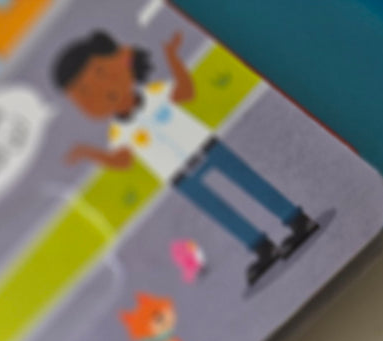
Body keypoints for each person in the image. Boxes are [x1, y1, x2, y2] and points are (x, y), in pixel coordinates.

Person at [55, 30, 319, 285]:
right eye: (83, 93)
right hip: (181, 176)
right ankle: (261, 247)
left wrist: (172, 57)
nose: (99, 91)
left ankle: (296, 220)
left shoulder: (155, 93)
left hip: (207, 149)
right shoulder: (118, 131)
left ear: (123, 59)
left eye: (101, 73)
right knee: (221, 211)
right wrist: (90, 153)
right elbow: (122, 160)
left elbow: (186, 91)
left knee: (251, 184)